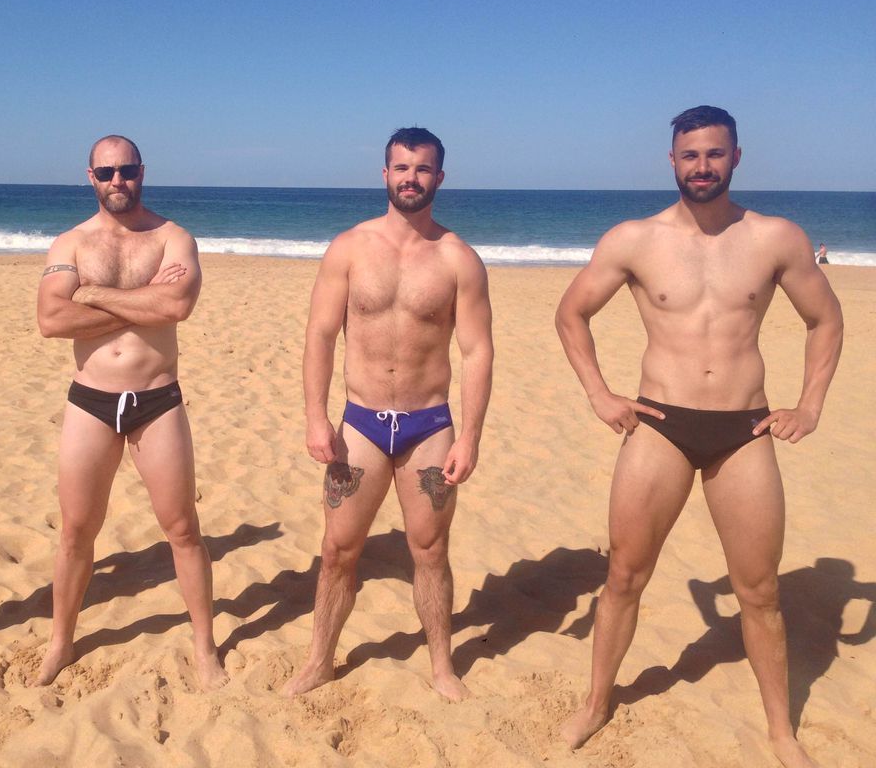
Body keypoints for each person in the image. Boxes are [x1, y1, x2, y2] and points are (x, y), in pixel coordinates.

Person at [555, 105, 843, 768]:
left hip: (744, 428)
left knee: (760, 591)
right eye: (691, 155)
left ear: (736, 157)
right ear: (672, 161)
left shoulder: (776, 238)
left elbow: (825, 319)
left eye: (715, 154)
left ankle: (780, 731)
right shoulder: (635, 240)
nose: (702, 166)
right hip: (660, 424)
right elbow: (571, 314)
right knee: (624, 575)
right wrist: (599, 394)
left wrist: (810, 406)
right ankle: (596, 703)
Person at [283, 127, 494, 701]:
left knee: (430, 550)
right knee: (338, 550)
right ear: (385, 174)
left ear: (439, 177)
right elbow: (320, 334)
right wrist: (315, 418)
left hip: (430, 425)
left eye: (422, 169)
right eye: (401, 167)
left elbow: (477, 352)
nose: (411, 178)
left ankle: (442, 667)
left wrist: (470, 438)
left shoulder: (458, 259)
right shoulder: (350, 249)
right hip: (361, 424)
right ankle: (319, 661)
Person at [34, 135, 228, 690]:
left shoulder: (173, 238)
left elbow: (177, 305)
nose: (117, 181)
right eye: (106, 172)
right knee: (76, 531)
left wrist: (91, 294)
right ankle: (61, 641)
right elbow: (51, 320)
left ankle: (204, 645)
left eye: (126, 170)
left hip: (156, 399)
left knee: (182, 528)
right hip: (90, 401)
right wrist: (141, 301)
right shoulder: (71, 243)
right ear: (90, 177)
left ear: (142, 171)